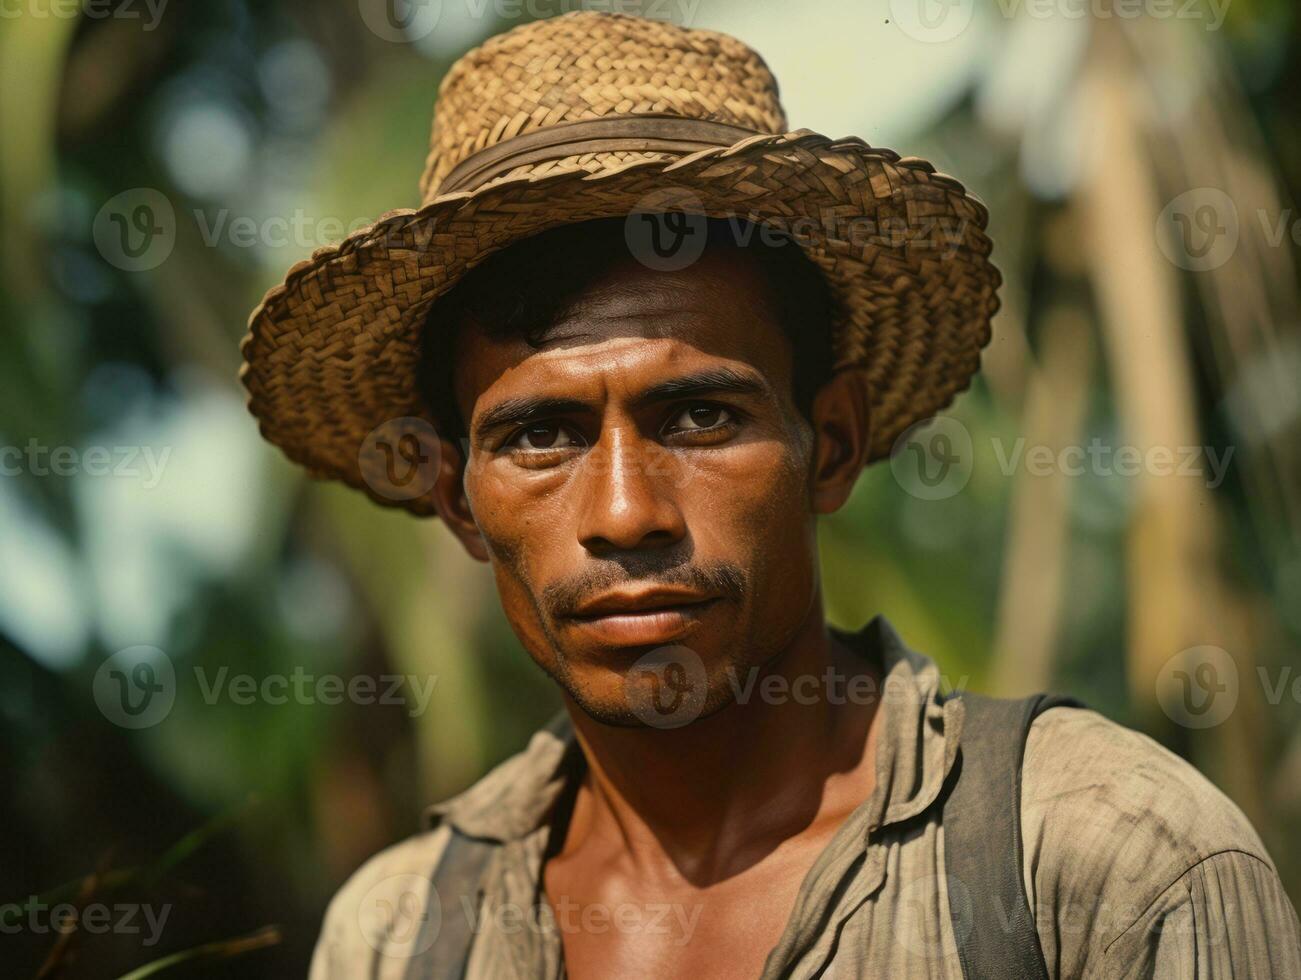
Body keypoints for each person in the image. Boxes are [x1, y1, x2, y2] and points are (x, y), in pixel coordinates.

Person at [240, 12, 1301, 979]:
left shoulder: (1102, 862)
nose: (623, 513)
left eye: (699, 418)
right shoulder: (397, 936)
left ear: (829, 445)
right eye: (540, 435)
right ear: (458, 503)